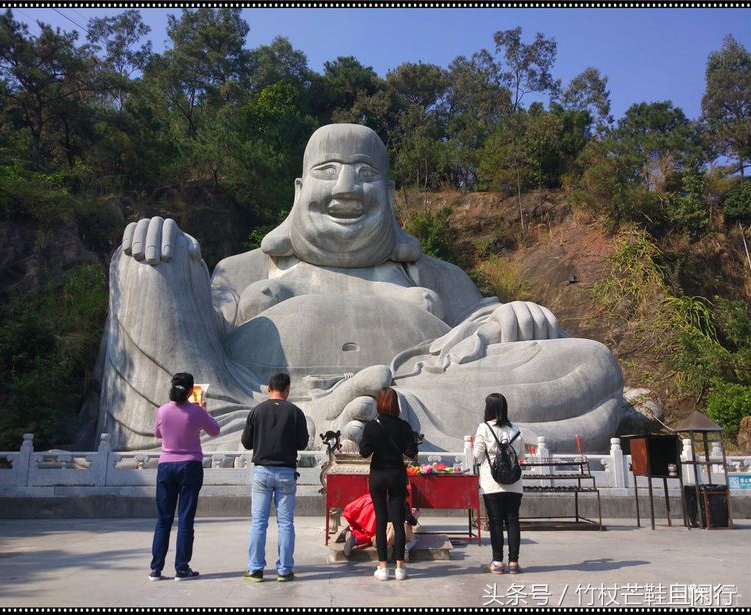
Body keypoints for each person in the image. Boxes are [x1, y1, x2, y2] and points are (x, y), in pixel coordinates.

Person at [102, 123, 624, 455]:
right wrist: (170, 258)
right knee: (149, 262)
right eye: (328, 171)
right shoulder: (245, 269)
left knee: (592, 363)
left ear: (389, 195)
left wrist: (511, 315)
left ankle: (362, 418)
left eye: (364, 173)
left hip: (409, 393)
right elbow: (196, 345)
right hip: (244, 397)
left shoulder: (434, 275)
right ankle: (269, 420)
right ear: (300, 191)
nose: (347, 187)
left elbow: (489, 327)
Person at [149, 372, 221, 581]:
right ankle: (181, 568)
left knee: (163, 519)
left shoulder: (162, 410)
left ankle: (156, 568)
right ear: (191, 391)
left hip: (166, 466)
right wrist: (205, 412)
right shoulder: (196, 411)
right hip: (190, 465)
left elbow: (157, 434)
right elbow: (215, 431)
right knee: (185, 518)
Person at [241, 373, 309, 582]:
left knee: (259, 522)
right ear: (288, 389)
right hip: (286, 472)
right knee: (286, 523)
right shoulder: (296, 412)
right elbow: (302, 444)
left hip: (262, 471)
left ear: (269, 389)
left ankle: (255, 569)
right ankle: (285, 569)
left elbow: (247, 443)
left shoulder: (256, 411)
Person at [359, 387, 419, 581]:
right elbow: (411, 452)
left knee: (381, 520)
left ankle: (383, 567)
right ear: (396, 404)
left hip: (378, 474)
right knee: (398, 521)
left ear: (379, 403)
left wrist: (374, 444)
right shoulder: (404, 426)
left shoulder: (371, 426)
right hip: (397, 474)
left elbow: (364, 452)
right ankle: (400, 567)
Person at [474, 392, 525, 575]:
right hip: (514, 483)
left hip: (492, 482)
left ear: (489, 408)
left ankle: (497, 562)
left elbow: (477, 455)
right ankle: (513, 563)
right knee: (512, 521)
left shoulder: (484, 428)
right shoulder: (516, 429)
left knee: (495, 522)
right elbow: (521, 456)